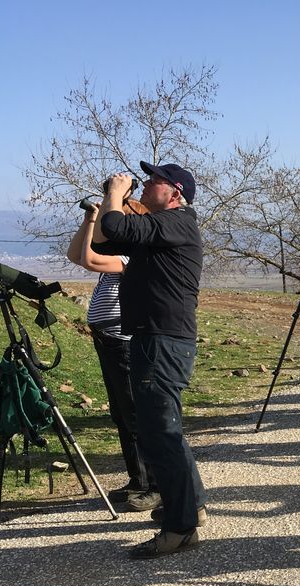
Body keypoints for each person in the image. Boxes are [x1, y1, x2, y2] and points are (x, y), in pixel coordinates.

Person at [91, 161, 209, 557]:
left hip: (163, 341)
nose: (144, 182)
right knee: (164, 428)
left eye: (154, 179)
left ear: (175, 193)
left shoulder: (179, 223)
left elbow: (117, 227)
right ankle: (190, 507)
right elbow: (103, 242)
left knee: (161, 432)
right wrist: (107, 205)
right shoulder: (159, 230)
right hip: (152, 339)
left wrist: (115, 197)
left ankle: (181, 528)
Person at [65, 197, 155, 510]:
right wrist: (90, 218)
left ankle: (154, 483)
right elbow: (75, 254)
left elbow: (89, 259)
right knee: (121, 415)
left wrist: (105, 207)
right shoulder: (115, 252)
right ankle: (138, 479)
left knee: (134, 414)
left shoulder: (132, 254)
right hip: (109, 341)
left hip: (124, 342)